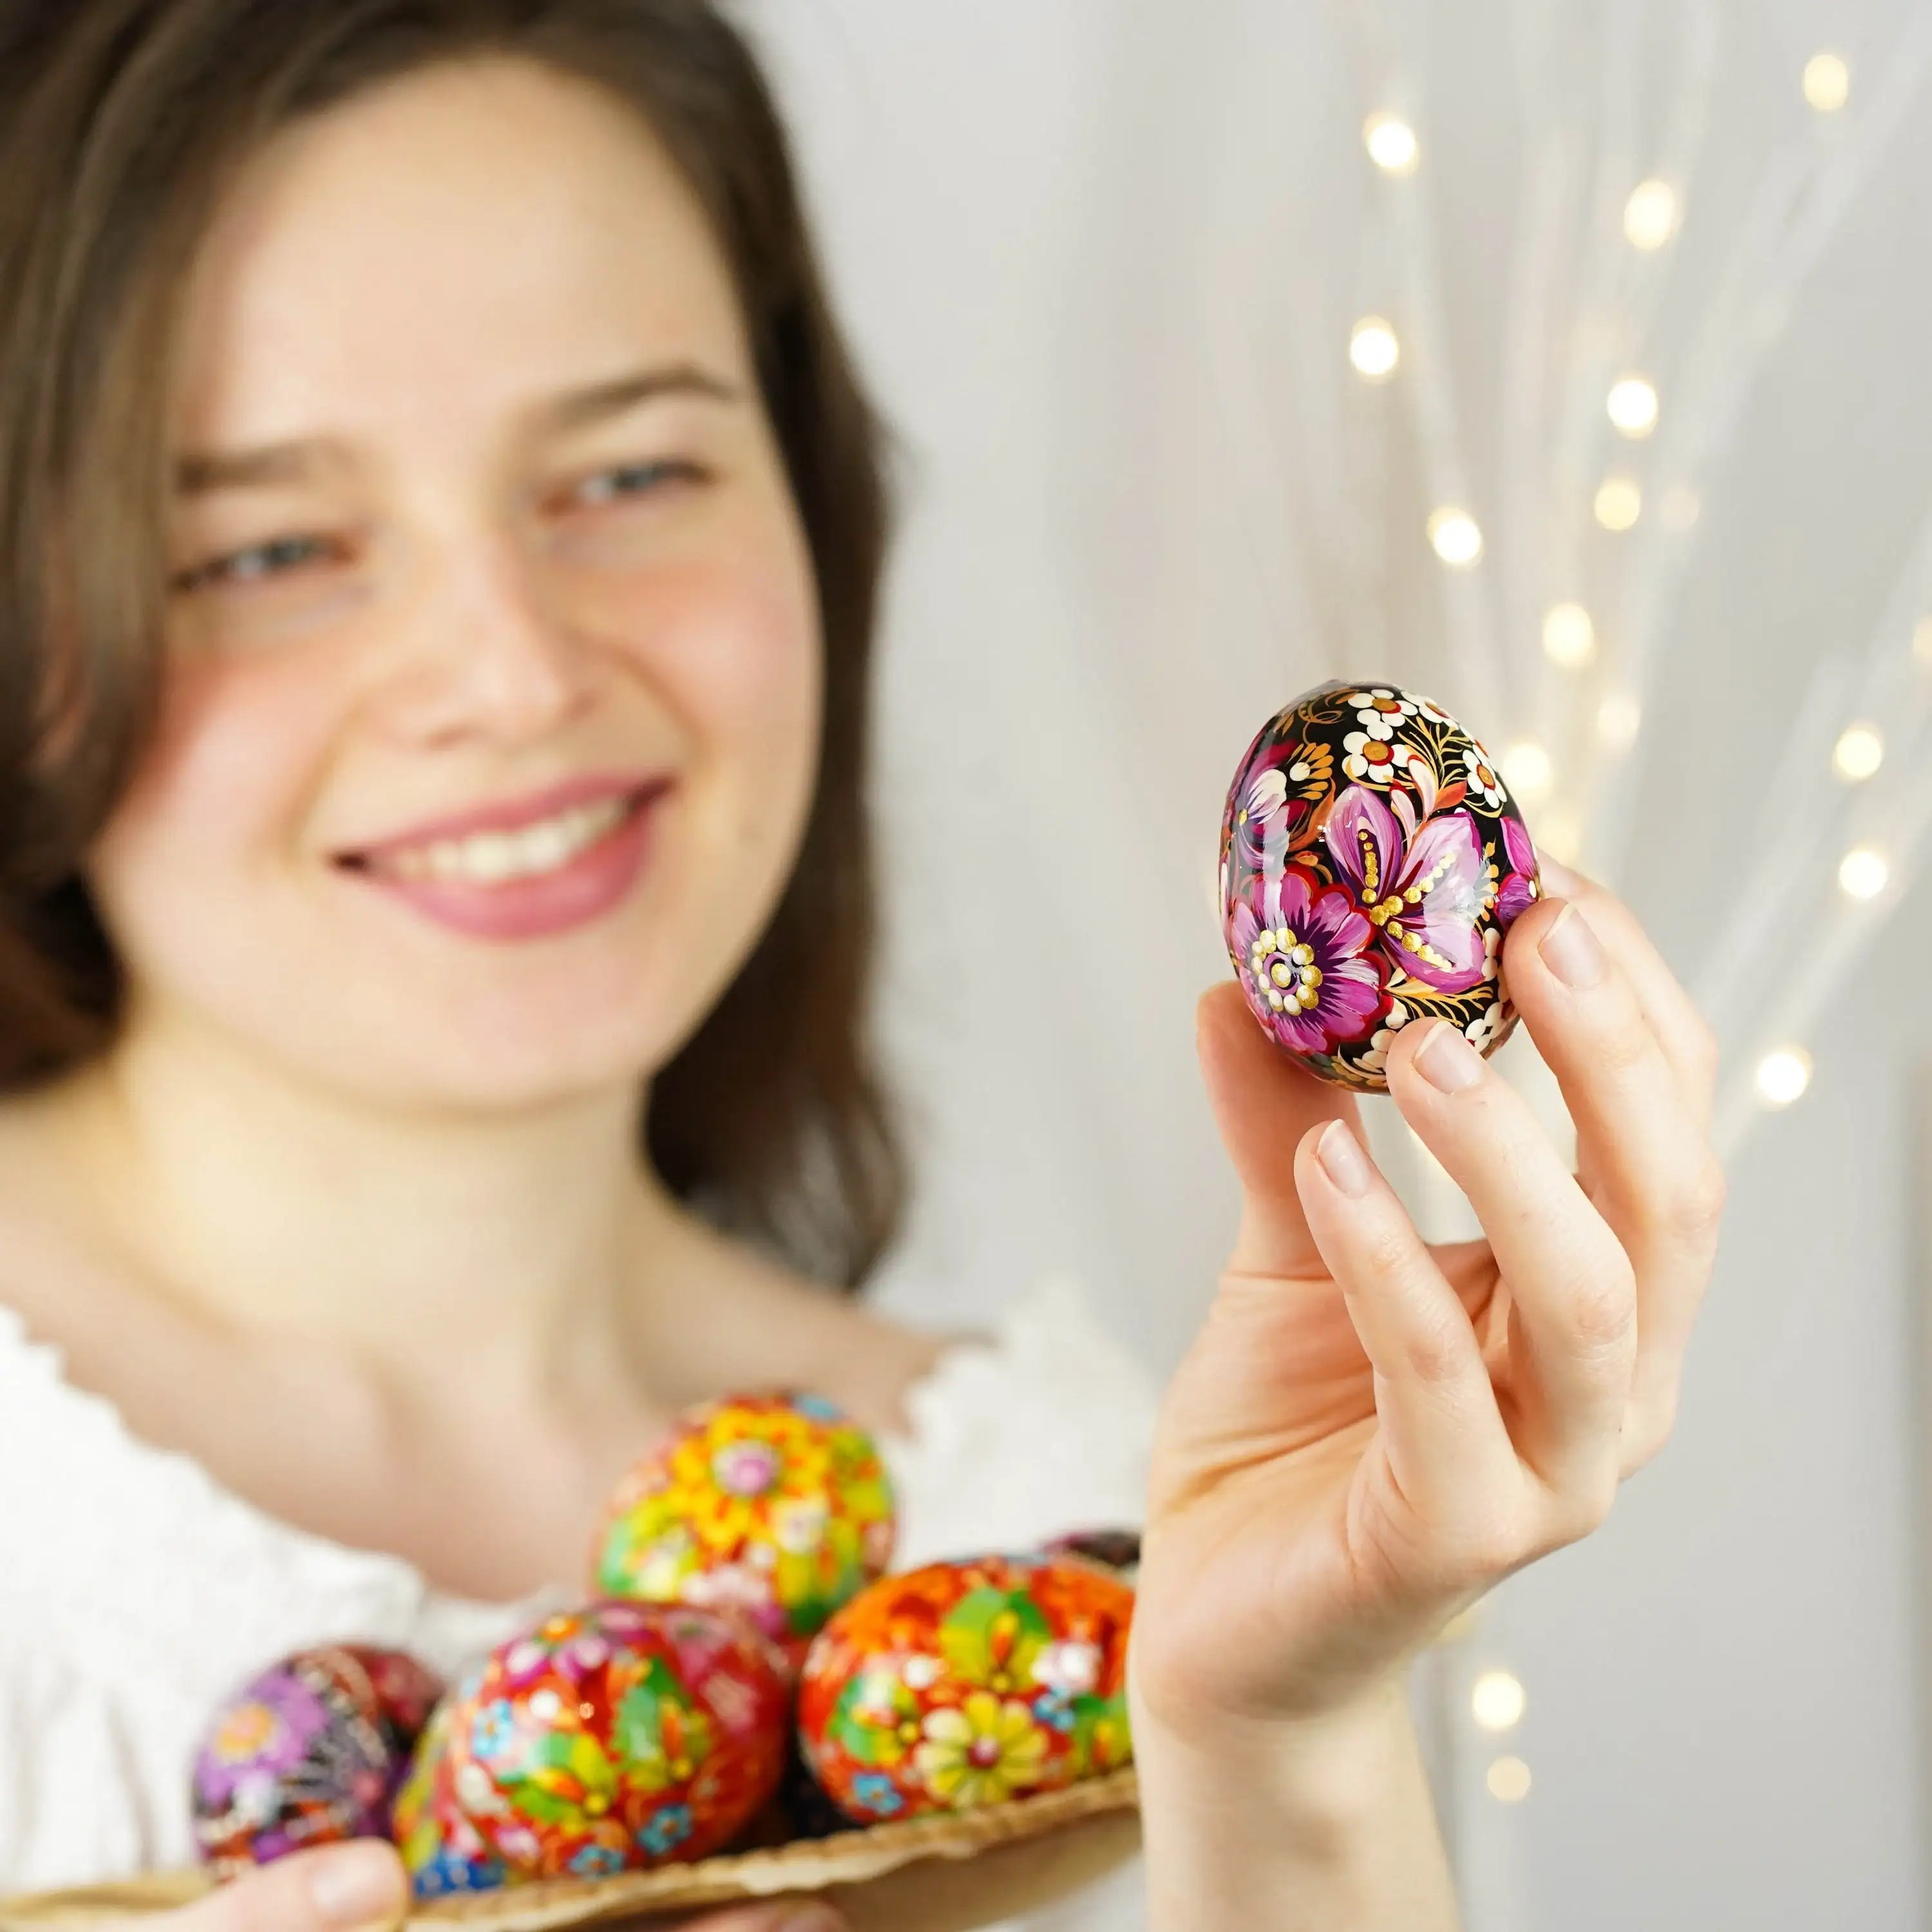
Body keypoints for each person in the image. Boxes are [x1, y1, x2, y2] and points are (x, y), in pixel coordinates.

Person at [0, 3, 1726, 1928]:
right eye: (262, 550)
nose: (514, 673)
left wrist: (1285, 1749)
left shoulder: (1066, 1530)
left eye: (630, 474)